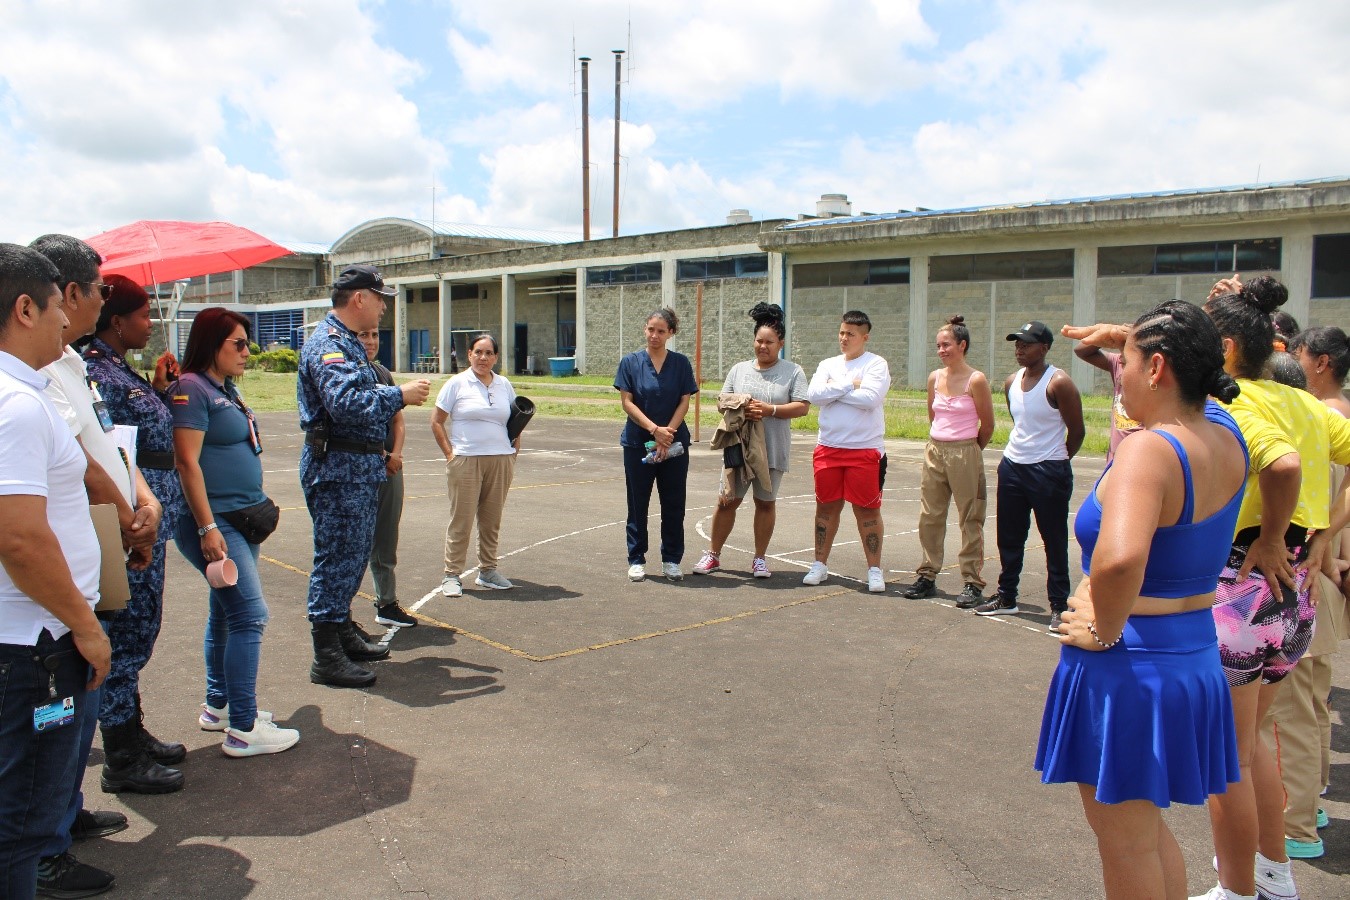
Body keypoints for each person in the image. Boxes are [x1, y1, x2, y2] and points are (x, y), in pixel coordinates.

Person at [1037, 300, 1247, 900]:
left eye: (1122, 360)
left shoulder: (1150, 449)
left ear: (1156, 368)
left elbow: (1121, 556)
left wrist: (1103, 623)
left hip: (1128, 669)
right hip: (1190, 656)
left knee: (1126, 844)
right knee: (1146, 834)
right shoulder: (1224, 430)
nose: (1115, 371)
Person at [1196, 284, 1350, 900]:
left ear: (1227, 350)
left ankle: (1236, 889)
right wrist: (1323, 533)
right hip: (1293, 598)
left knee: (1225, 754)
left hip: (1244, 585)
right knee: (1251, 740)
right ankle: (1273, 876)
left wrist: (1275, 534)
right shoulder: (1305, 403)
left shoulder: (1232, 403)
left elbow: (1281, 465)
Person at [30, 233, 164, 897]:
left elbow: (108, 444)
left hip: (94, 558)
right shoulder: (31, 379)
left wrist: (140, 500)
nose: (86, 307)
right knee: (48, 721)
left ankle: (64, 815)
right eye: (92, 292)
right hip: (49, 595)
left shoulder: (72, 365)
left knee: (71, 719)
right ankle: (43, 847)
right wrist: (129, 514)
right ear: (65, 296)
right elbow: (82, 469)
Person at [0, 243, 113, 900]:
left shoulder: (28, 393)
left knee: (27, 803)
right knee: (22, 819)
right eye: (52, 310)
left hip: (37, 641)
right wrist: (83, 625)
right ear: (23, 308)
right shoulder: (16, 406)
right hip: (36, 650)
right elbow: (19, 538)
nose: (64, 322)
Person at [172, 308, 299, 759]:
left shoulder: (222, 387)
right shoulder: (191, 388)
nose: (247, 351)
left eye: (247, 343)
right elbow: (187, 462)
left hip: (240, 520)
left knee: (226, 613)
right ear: (212, 345)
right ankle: (243, 728)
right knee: (250, 616)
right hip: (217, 523)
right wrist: (207, 527)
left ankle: (219, 707)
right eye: (238, 344)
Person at [79, 274, 188, 796]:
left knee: (140, 632)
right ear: (116, 320)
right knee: (124, 636)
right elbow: (113, 451)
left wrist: (159, 390)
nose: (150, 322)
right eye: (143, 314)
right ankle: (120, 754)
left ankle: (132, 731)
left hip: (146, 521)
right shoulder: (94, 372)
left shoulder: (119, 370)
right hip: (126, 525)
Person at [297, 265, 430, 687]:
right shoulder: (330, 344)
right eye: (379, 297)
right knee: (335, 559)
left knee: (351, 557)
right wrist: (399, 394)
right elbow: (346, 403)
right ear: (359, 299)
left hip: (356, 467)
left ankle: (340, 632)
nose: (384, 307)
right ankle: (326, 655)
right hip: (338, 468)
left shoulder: (349, 344)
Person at [1260, 326, 1350, 860]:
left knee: (1287, 712)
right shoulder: (1331, 414)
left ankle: (1297, 825)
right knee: (1312, 703)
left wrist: (1320, 541)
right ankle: (1309, 803)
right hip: (1322, 575)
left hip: (1305, 574)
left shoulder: (1321, 418)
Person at [975, 321, 1083, 631]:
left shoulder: (1058, 382)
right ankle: (1007, 596)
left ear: (1045, 348)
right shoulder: (1011, 382)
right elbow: (1021, 422)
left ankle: (1059, 604)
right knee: (1010, 536)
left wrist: (1056, 459)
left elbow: (1076, 431)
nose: (1019, 349)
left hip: (1048, 470)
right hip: (1013, 466)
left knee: (1053, 539)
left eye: (1027, 344)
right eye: (1017, 343)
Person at [691, 303, 809, 579]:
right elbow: (722, 401)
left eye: (769, 342)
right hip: (738, 449)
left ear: (780, 343)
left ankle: (759, 558)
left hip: (773, 449)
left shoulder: (792, 372)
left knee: (765, 503)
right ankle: (713, 554)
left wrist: (771, 410)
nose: (763, 346)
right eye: (759, 341)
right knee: (726, 501)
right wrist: (739, 406)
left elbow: (803, 406)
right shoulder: (739, 370)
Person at [902, 315, 995, 605]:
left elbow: (988, 424)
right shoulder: (935, 377)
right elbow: (934, 416)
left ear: (962, 345)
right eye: (938, 345)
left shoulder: (975, 379)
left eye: (947, 345)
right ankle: (927, 574)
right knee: (930, 514)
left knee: (970, 516)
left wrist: (970, 450)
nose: (941, 350)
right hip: (935, 449)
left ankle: (972, 581)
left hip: (965, 450)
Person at [803, 310, 892, 592]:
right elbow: (814, 395)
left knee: (867, 511)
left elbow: (870, 399)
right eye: (841, 332)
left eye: (850, 334)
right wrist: (847, 385)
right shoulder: (828, 363)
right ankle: (820, 564)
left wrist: (834, 391)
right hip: (829, 448)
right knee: (826, 508)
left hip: (864, 450)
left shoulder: (876, 364)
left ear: (864, 337)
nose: (844, 338)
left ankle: (874, 569)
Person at [432, 333, 520, 596]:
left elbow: (516, 419)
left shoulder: (503, 384)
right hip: (466, 459)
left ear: (495, 357)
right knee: (462, 519)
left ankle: (488, 570)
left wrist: (514, 450)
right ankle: (452, 575)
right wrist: (451, 455)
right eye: (478, 352)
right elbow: (437, 421)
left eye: (489, 353)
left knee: (491, 520)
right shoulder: (457, 384)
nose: (483, 358)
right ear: (469, 354)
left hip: (500, 460)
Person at [615, 307, 698, 581]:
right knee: (638, 503)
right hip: (639, 442)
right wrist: (654, 430)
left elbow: (685, 400)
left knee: (673, 502)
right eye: (651, 329)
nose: (655, 335)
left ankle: (672, 559)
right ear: (645, 329)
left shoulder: (681, 363)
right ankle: (636, 558)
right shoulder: (630, 362)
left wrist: (668, 433)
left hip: (673, 445)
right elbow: (627, 402)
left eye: (661, 331)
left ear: (671, 333)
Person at [356, 327, 415, 628]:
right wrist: (381, 455)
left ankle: (386, 602)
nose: (370, 341)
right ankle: (341, 616)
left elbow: (398, 420)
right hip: (362, 465)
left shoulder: (382, 373)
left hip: (390, 465)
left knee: (386, 535)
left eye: (375, 335)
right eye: (363, 335)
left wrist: (395, 455)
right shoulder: (347, 373)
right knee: (354, 540)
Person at [1072, 339, 1140, 461]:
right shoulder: (1118, 363)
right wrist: (1107, 335)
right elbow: (1081, 351)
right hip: (1115, 457)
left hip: (1138, 456)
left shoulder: (1150, 370)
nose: (1121, 357)